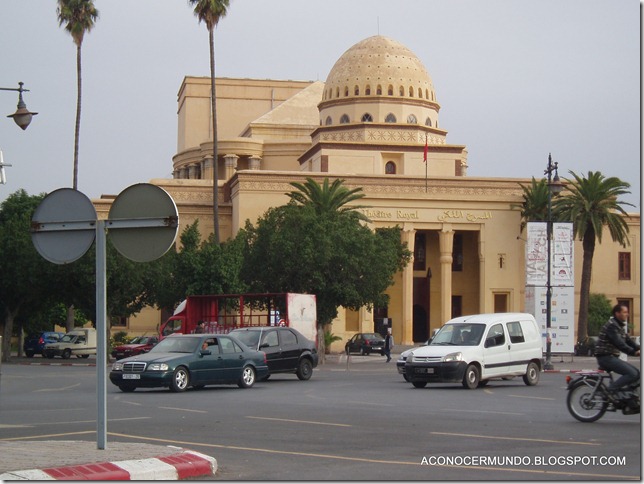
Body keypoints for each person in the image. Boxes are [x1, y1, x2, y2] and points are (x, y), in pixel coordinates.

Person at [594, 304, 640, 399]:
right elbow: (619, 343)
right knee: (632, 374)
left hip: (611, 357)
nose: (627, 314)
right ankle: (610, 391)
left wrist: (639, 348)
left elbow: (629, 341)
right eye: (624, 312)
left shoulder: (619, 326)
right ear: (617, 313)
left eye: (627, 312)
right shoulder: (612, 326)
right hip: (605, 357)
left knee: (637, 373)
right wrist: (634, 353)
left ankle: (627, 396)